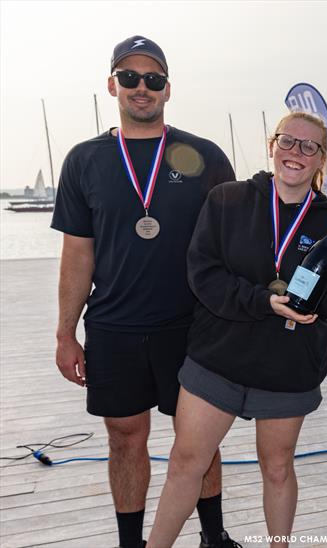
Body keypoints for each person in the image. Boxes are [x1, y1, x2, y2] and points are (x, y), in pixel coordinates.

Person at [51, 35, 238, 548]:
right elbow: (77, 255)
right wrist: (66, 334)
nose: (141, 87)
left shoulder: (203, 155)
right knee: (125, 438)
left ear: (167, 90)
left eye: (152, 79)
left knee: (197, 441)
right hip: (114, 327)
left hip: (192, 326)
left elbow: (240, 236)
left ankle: (214, 537)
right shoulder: (84, 160)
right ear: (112, 84)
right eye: (130, 77)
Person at [147, 111, 327, 548]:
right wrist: (261, 301)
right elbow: (202, 274)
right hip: (217, 358)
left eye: (310, 147)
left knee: (279, 468)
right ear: (272, 144)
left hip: (286, 368)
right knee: (186, 462)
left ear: (321, 158)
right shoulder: (228, 199)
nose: (296, 153)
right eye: (288, 141)